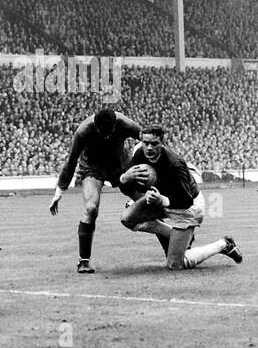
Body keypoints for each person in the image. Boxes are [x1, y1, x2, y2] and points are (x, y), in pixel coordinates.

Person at [117, 125, 242, 269]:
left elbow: (186, 200)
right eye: (146, 143)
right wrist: (124, 178)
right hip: (160, 199)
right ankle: (176, 236)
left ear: (162, 143)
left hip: (188, 208)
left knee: (175, 264)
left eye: (154, 143)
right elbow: (126, 187)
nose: (149, 148)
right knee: (128, 219)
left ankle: (224, 245)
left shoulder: (175, 163)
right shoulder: (140, 154)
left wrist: (162, 200)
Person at [49, 106, 142, 274]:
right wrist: (59, 192)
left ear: (116, 125)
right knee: (91, 208)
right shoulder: (83, 131)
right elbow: (71, 161)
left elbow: (147, 139)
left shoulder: (127, 124)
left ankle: (170, 238)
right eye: (102, 133)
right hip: (92, 168)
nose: (106, 136)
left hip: (119, 165)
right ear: (96, 126)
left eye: (110, 132)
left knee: (144, 199)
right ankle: (83, 261)